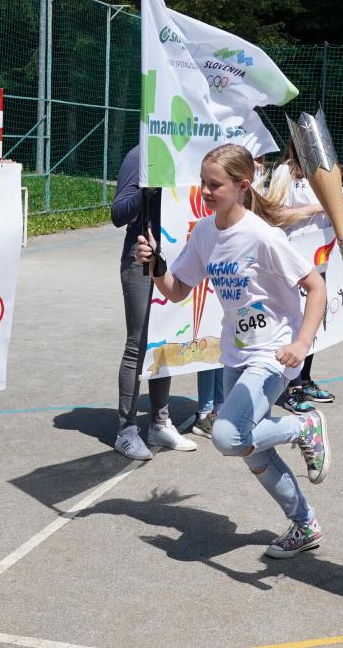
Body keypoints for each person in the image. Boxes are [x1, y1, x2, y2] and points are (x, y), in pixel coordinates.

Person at [136, 143, 331, 558]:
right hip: (235, 354)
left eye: (215, 185)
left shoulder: (263, 236)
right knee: (253, 451)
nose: (206, 191)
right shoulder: (205, 232)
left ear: (242, 186)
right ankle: (305, 524)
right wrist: (155, 265)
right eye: (203, 183)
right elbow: (176, 290)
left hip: (274, 353)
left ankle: (304, 427)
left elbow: (316, 288)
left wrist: (301, 343)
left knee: (227, 436)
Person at [110, 145, 197, 459]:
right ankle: (126, 429)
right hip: (141, 259)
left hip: (178, 260)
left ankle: (159, 423)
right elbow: (118, 214)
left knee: (167, 341)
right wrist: (147, 190)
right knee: (139, 343)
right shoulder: (141, 155)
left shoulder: (191, 155)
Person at [266, 144, 343, 411]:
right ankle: (289, 387)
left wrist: (342, 205)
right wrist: (318, 207)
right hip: (295, 257)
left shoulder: (328, 172)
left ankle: (304, 380)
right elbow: (275, 214)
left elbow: (337, 215)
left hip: (323, 257)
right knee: (296, 321)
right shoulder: (284, 173)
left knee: (315, 321)